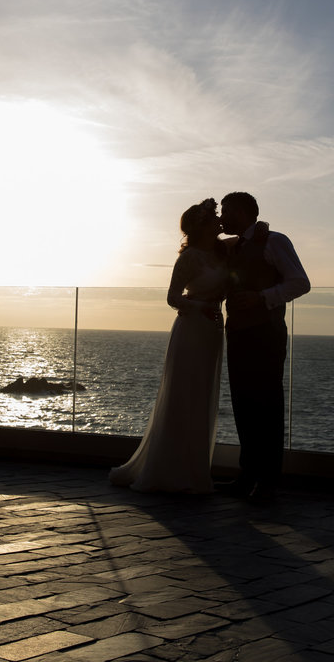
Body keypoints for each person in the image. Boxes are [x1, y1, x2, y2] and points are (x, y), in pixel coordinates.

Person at [109, 198, 228, 493]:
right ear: (201, 226)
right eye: (213, 217)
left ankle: (195, 470)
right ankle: (171, 470)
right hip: (192, 327)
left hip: (214, 328)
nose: (219, 221)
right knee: (184, 395)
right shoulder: (189, 259)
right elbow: (173, 297)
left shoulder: (222, 251)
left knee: (202, 396)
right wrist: (197, 306)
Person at [219, 191, 310, 504]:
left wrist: (263, 297)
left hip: (266, 333)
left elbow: (300, 282)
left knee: (267, 405)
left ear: (243, 212)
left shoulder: (274, 241)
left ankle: (268, 480)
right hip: (238, 332)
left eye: (226, 210)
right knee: (243, 403)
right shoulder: (232, 246)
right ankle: (248, 474)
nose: (221, 216)